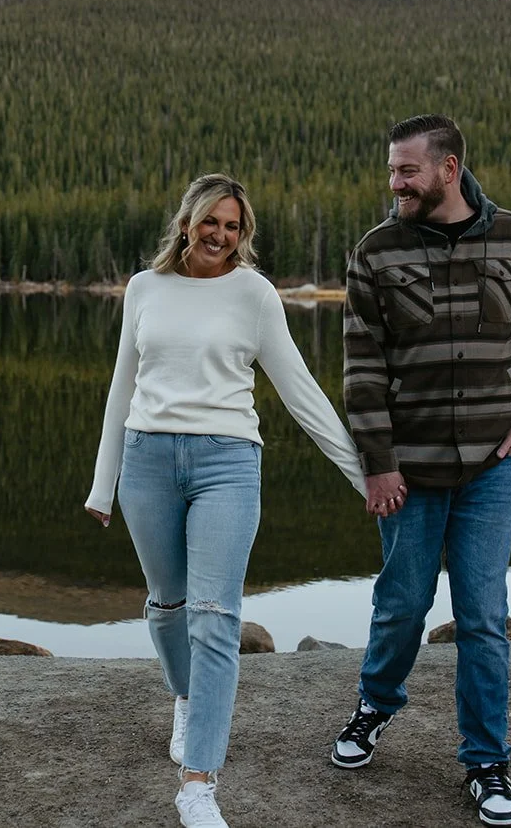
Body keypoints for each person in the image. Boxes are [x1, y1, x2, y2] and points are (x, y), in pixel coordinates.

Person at [86, 172, 367, 828]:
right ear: (186, 222)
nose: (220, 234)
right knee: (168, 604)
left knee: (214, 617)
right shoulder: (145, 289)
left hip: (227, 462)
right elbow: (121, 390)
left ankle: (198, 784)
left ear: (243, 234)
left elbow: (301, 393)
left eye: (232, 225)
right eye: (210, 221)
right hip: (148, 460)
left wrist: (362, 475)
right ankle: (183, 698)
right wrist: (104, 485)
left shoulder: (255, 295)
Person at [331, 115, 511, 827]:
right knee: (402, 605)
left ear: (448, 167)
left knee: (485, 616)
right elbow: (362, 369)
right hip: (409, 469)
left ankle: (487, 762)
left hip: (493, 464)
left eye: (407, 170)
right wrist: (378, 464)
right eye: (392, 170)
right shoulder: (376, 251)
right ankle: (376, 704)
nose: (394, 182)